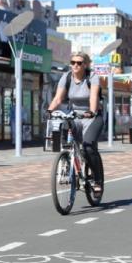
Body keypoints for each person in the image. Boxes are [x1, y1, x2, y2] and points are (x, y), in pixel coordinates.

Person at [47, 51, 103, 195]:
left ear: (85, 64)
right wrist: (49, 110)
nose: (75, 65)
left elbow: (93, 97)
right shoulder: (66, 77)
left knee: (88, 147)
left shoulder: (92, 77)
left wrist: (91, 111)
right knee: (68, 143)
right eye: (73, 63)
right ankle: (71, 164)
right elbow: (58, 99)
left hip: (92, 116)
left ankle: (97, 180)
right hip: (74, 116)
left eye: (79, 63)